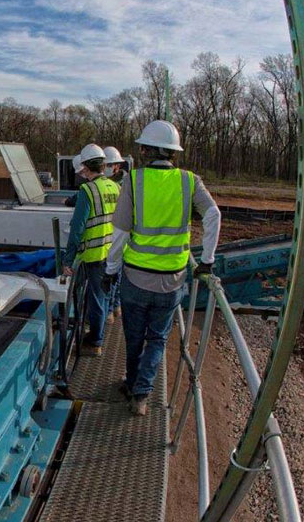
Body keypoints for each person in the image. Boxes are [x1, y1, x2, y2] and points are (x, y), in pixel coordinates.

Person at [105, 120, 221, 415]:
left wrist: (110, 269)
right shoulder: (189, 181)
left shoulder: (134, 180)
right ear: (172, 152)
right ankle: (141, 393)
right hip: (172, 280)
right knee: (157, 338)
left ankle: (132, 383)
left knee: (134, 336)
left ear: (147, 150)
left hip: (135, 279)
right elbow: (213, 215)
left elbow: (119, 234)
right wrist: (206, 261)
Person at [62, 144, 121, 356]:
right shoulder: (115, 187)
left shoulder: (87, 190)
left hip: (95, 255)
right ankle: (99, 331)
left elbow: (77, 229)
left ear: (86, 168)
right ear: (104, 165)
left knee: (96, 300)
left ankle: (95, 342)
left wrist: (68, 260)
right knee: (105, 296)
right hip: (113, 253)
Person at [102, 146, 127, 325]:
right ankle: (116, 307)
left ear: (117, 166)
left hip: (118, 236)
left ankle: (111, 310)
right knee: (116, 275)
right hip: (118, 236)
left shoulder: (123, 184)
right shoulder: (121, 182)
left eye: (110, 164)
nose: (108, 168)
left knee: (113, 276)